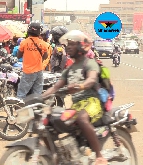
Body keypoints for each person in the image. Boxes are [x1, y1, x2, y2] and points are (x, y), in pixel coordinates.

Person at [42, 30, 107, 165]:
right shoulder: (69, 70)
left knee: (82, 119)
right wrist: (38, 98)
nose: (68, 47)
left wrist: (80, 86)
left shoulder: (89, 63)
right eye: (68, 44)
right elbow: (55, 87)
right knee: (50, 122)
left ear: (81, 46)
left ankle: (100, 156)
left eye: (72, 44)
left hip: (92, 102)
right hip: (76, 105)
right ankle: (61, 157)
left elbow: (91, 79)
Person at [16, 21, 48, 99]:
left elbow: (18, 55)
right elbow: (45, 56)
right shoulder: (43, 44)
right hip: (39, 71)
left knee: (21, 93)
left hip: (28, 72)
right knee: (37, 94)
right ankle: (35, 109)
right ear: (39, 31)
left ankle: (19, 109)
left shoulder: (24, 42)